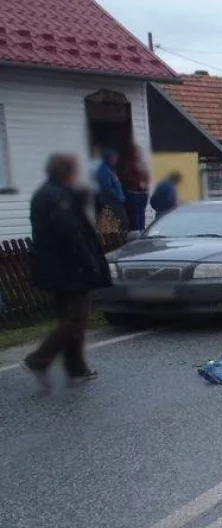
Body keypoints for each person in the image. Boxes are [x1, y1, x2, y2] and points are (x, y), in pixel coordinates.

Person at [21, 154, 112, 389]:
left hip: (55, 267)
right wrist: (89, 261)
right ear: (67, 172)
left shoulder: (46, 193)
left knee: (69, 317)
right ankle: (39, 359)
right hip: (70, 268)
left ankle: (76, 367)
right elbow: (71, 233)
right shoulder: (58, 196)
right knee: (76, 318)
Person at [96, 148, 128, 235]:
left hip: (117, 202)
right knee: (116, 225)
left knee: (123, 224)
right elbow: (107, 188)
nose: (116, 161)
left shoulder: (110, 169)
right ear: (109, 158)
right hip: (111, 203)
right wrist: (118, 197)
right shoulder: (103, 171)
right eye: (114, 158)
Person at [121, 145, 149, 231]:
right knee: (136, 215)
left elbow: (146, 175)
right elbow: (127, 178)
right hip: (134, 193)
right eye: (136, 151)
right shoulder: (129, 164)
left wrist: (146, 183)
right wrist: (139, 183)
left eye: (138, 151)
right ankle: (137, 232)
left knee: (142, 214)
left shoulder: (142, 163)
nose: (137, 153)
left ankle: (142, 230)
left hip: (143, 193)